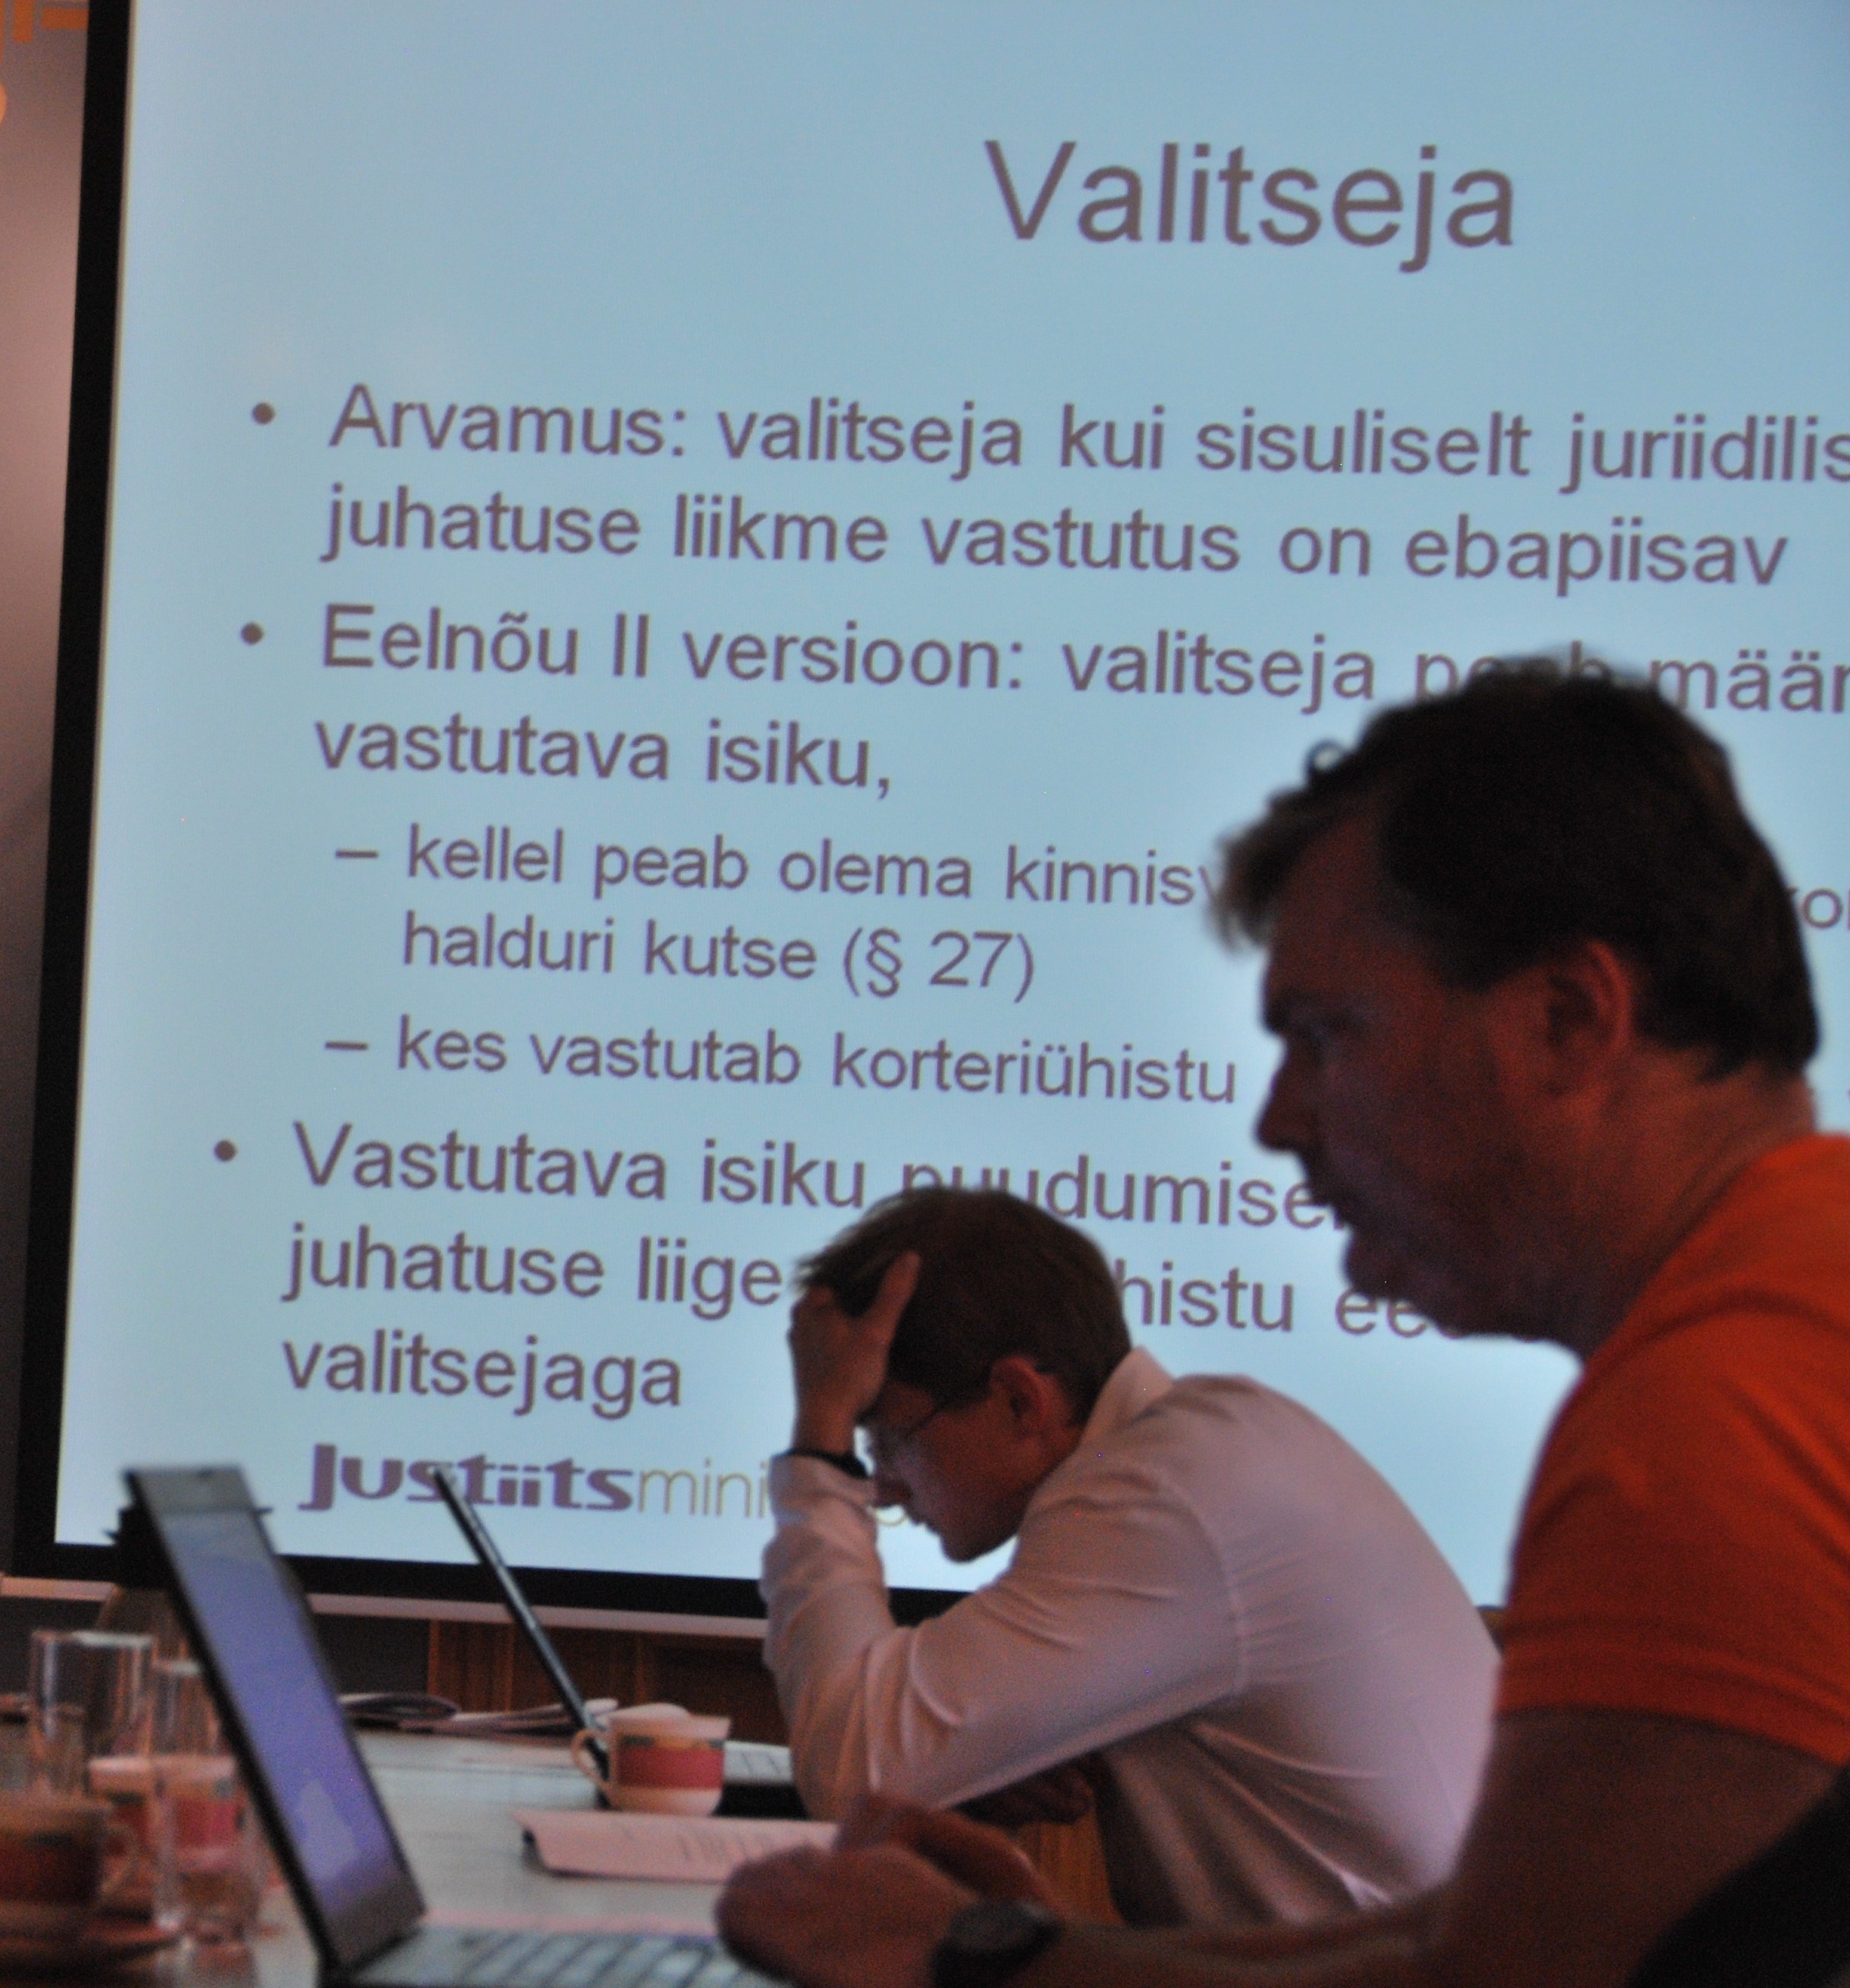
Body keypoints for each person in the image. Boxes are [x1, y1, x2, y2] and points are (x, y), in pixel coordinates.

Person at [718, 660, 1850, 1988]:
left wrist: (990, 1962)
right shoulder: (1781, 1311)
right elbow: (1472, 1940)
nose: (1277, 1120)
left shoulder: (1720, 1412)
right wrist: (1034, 1946)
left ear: (1565, 1017)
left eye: (1327, 1034)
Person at [768, 1187, 1494, 1927]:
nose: (884, 1487)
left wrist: (820, 1442)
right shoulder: (1202, 1445)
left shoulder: (1162, 1496)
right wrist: (993, 1757)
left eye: (889, 1437)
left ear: (1020, 1400)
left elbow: (850, 1767)